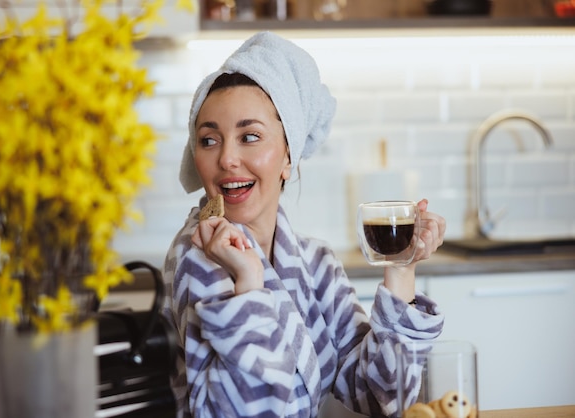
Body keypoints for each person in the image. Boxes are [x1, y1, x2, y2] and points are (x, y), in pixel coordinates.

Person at [162, 31, 446, 418]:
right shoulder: (200, 256)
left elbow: (381, 395)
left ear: (288, 157)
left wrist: (401, 266)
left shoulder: (315, 263)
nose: (226, 158)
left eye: (249, 136)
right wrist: (248, 283)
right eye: (209, 140)